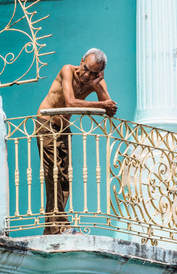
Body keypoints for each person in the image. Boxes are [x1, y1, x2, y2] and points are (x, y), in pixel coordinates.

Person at [36, 48, 117, 235]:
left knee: (64, 179)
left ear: (100, 73)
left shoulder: (95, 81)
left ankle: (52, 230)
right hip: (46, 123)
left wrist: (97, 86)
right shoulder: (68, 70)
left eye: (94, 73)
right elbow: (70, 102)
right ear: (81, 61)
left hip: (64, 128)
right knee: (53, 174)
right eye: (87, 69)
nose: (87, 75)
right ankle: (61, 227)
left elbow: (109, 109)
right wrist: (101, 105)